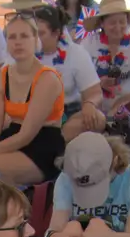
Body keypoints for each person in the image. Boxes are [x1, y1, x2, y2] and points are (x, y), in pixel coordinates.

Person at [0, 12, 68, 185]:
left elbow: (26, 135)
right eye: (12, 37)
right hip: (10, 137)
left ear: (35, 38)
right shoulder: (3, 74)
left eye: (24, 36)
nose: (18, 42)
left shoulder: (47, 78)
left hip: (42, 144)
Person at [31, 3, 108, 141]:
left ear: (56, 33)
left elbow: (95, 93)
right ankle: (54, 143)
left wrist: (89, 104)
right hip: (32, 113)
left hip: (69, 112)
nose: (35, 38)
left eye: (40, 33)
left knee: (99, 118)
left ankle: (54, 142)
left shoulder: (75, 53)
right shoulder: (25, 52)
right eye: (33, 33)